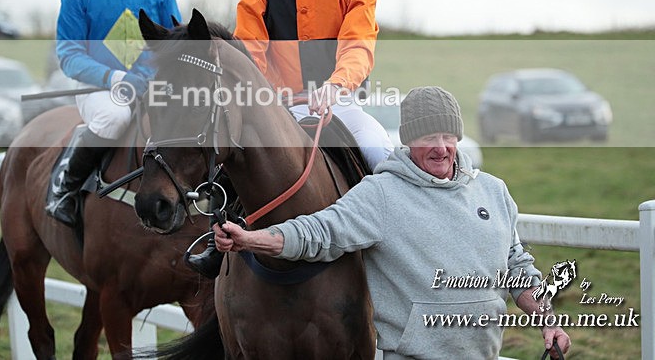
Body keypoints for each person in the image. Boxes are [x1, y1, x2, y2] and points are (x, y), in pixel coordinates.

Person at [213, 86, 572, 359]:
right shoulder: (381, 194)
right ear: (407, 139)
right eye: (428, 137)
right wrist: (251, 239)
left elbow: (517, 269)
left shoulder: (494, 192)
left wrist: (548, 321)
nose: (440, 148)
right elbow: (318, 233)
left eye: (448, 136)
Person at [186, 0, 393, 277]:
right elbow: (249, 54)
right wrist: (265, 97)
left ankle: (399, 242)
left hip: (340, 104)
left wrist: (336, 85)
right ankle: (218, 238)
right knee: (231, 159)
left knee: (380, 151)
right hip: (278, 109)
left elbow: (358, 44)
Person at [46, 0, 181, 227]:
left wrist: (152, 76)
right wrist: (116, 79)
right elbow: (68, 54)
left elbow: (174, 41)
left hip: (150, 82)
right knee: (115, 118)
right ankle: (66, 186)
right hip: (98, 85)